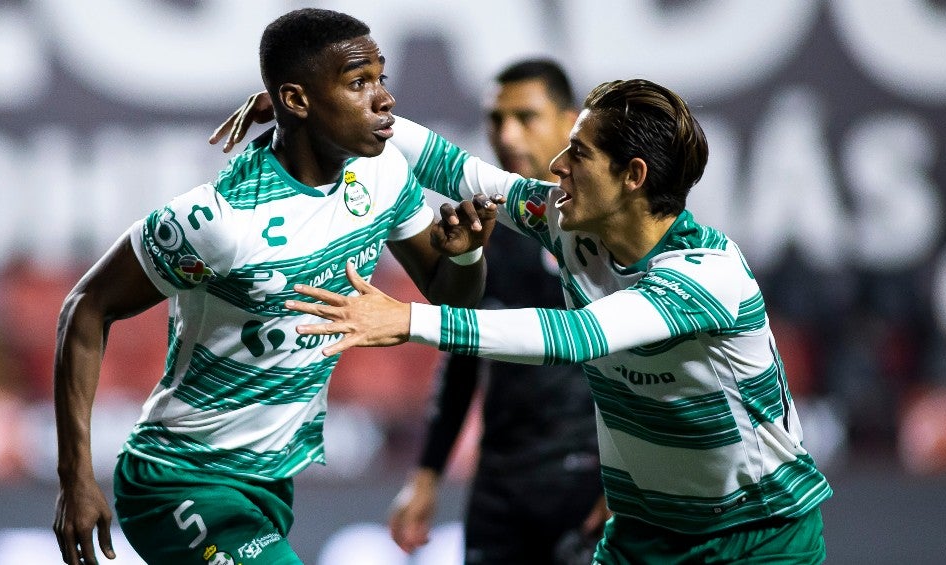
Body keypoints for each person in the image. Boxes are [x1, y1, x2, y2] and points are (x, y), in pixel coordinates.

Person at [284, 78, 834, 564]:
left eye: (580, 153)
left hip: (758, 534)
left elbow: (574, 337)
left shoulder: (708, 276)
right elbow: (458, 170)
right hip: (646, 532)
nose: (556, 165)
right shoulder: (571, 229)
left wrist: (410, 320)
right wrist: (329, 107)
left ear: (633, 176)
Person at [52, 9, 498, 565]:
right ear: (297, 99)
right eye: (359, 83)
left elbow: (452, 296)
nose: (384, 98)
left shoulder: (383, 173)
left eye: (381, 78)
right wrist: (74, 478)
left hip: (270, 483)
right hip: (179, 479)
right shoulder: (219, 221)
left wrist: (469, 252)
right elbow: (86, 307)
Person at [387, 59, 607, 565]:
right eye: (495, 120)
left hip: (590, 480)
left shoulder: (611, 231)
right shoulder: (485, 232)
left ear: (571, 123)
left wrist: (635, 484)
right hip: (500, 484)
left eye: (525, 117)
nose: (506, 135)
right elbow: (464, 351)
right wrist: (426, 474)